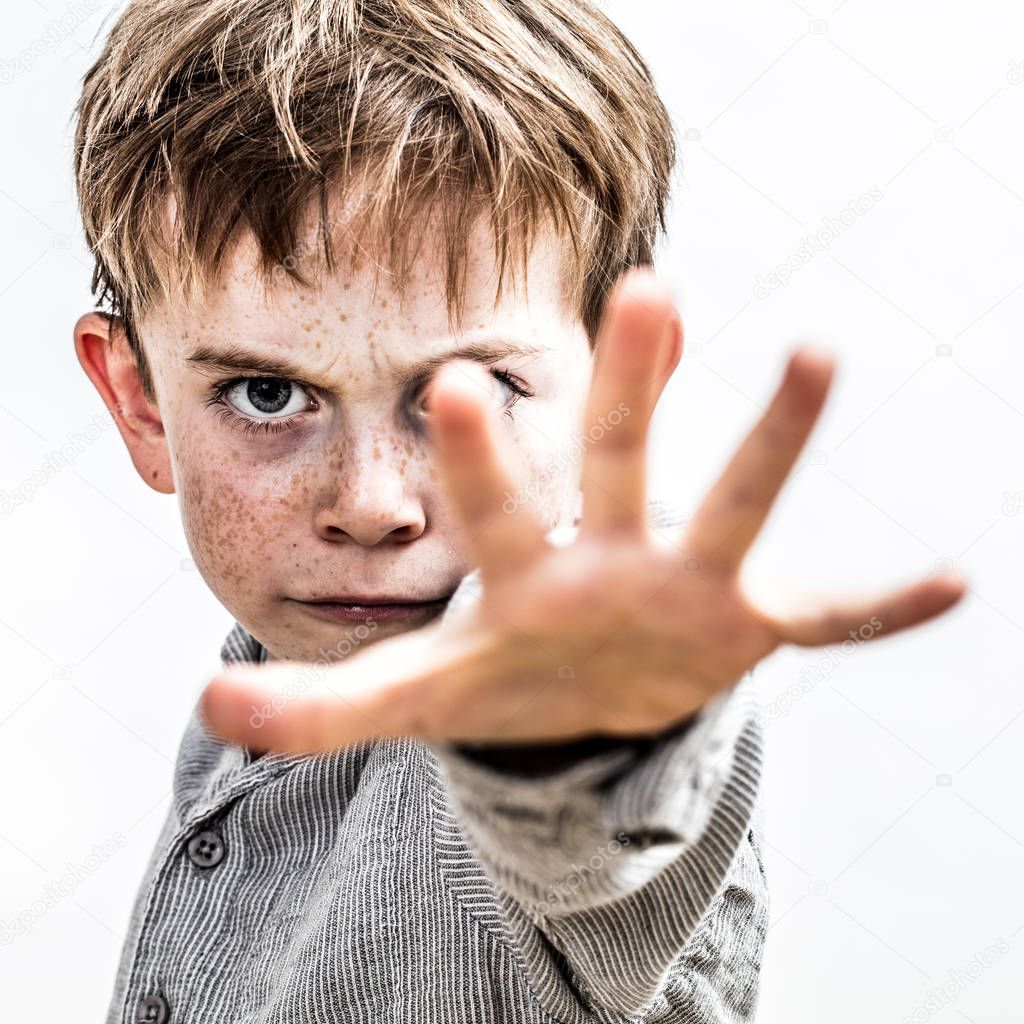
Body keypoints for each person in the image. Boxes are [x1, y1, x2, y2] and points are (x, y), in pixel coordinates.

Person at [71, 1, 964, 1021]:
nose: (370, 505)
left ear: (616, 392)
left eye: (469, 393)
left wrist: (580, 729)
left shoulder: (576, 672)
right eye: (266, 394)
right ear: (139, 403)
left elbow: (595, 828)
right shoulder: (265, 683)